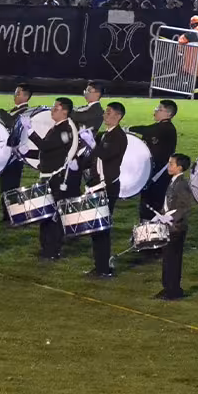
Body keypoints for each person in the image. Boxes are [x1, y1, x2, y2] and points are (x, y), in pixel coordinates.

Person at [24, 97, 75, 261]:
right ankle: (45, 247)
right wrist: (24, 153)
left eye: (56, 108)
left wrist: (30, 132)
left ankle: (52, 250)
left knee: (53, 215)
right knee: (45, 214)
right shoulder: (57, 128)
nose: (52, 110)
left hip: (56, 178)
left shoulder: (65, 131)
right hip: (48, 175)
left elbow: (46, 146)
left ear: (65, 111)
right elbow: (47, 151)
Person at [82, 102, 127, 278]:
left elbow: (106, 155)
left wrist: (93, 144)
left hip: (108, 187)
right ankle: (99, 266)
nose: (104, 116)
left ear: (118, 116)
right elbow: (93, 158)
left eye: (108, 113)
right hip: (96, 185)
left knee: (102, 228)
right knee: (96, 228)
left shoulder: (119, 137)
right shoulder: (103, 135)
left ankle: (103, 268)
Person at [129, 99, 178, 223]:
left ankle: (151, 233)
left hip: (159, 174)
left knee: (152, 204)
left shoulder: (167, 129)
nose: (155, 111)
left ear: (169, 114)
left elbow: (148, 130)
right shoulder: (159, 127)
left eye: (160, 109)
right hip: (151, 171)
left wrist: (128, 128)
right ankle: (145, 230)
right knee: (146, 202)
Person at [153, 153, 192, 299]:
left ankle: (174, 290)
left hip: (176, 228)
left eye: (171, 164)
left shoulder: (182, 184)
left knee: (173, 260)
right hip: (168, 226)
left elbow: (185, 206)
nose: (168, 166)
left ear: (179, 167)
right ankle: (167, 287)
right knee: (167, 258)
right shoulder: (173, 181)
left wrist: (170, 217)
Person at [0, 83, 33, 221]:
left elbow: (10, 122)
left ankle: (12, 215)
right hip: (8, 153)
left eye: (18, 93)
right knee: (6, 185)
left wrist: (0, 112)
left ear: (26, 96)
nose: (15, 95)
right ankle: (9, 214)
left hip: (15, 154)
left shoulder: (25, 112)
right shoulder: (16, 110)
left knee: (10, 186)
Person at [68, 81, 104, 195]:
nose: (85, 93)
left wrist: (65, 108)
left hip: (84, 150)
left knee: (73, 180)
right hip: (78, 147)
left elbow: (78, 116)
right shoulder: (89, 108)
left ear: (97, 94)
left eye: (88, 90)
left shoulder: (96, 110)